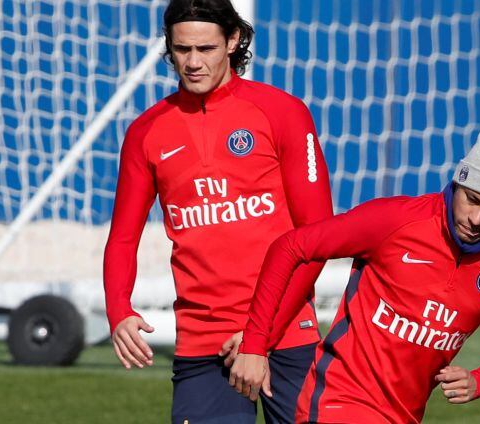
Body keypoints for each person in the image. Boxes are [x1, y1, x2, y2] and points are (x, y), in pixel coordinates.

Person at [102, 0, 333, 422]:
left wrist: (258, 339)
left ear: (232, 41)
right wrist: (119, 310)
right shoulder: (146, 132)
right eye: (181, 50)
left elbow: (317, 238)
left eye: (205, 49)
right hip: (202, 343)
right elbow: (122, 237)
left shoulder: (282, 113)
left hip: (286, 334)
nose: (192, 62)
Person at [230, 124, 480, 423]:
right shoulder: (396, 221)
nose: (477, 218)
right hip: (336, 402)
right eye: (471, 199)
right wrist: (256, 345)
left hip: (403, 415)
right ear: (458, 181)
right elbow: (290, 247)